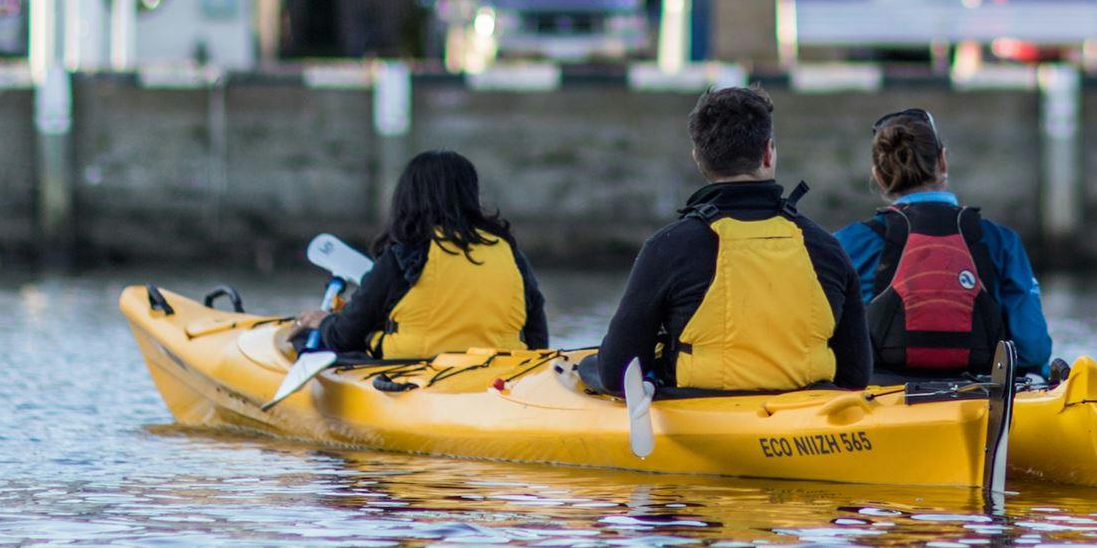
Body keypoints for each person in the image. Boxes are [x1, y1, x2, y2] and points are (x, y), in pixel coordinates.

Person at [592, 84, 869, 394]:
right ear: (767, 152)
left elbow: (616, 373)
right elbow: (856, 375)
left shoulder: (667, 248)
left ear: (698, 158)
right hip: (805, 427)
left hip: (703, 424)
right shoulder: (825, 247)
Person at [835, 108, 1055, 378]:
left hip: (880, 399)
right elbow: (1033, 350)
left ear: (878, 176)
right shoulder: (1001, 242)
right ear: (943, 162)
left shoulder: (848, 244)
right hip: (982, 396)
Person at [292, 149, 548, 358]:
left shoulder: (405, 255)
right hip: (502, 377)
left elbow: (344, 336)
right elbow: (537, 333)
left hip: (417, 376)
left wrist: (323, 322)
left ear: (407, 197)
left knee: (313, 340)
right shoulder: (508, 253)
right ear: (470, 195)